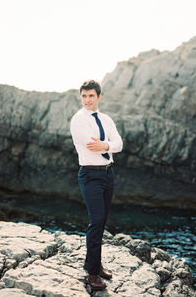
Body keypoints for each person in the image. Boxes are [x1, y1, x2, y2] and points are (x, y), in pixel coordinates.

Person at [70, 80, 123, 291]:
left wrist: (107, 145)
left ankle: (91, 262)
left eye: (91, 96)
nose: (87, 100)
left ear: (99, 96)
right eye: (84, 96)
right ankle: (93, 273)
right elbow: (91, 146)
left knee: (102, 221)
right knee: (97, 220)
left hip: (108, 174)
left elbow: (119, 144)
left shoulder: (106, 119)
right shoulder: (78, 120)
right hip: (90, 175)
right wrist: (106, 146)